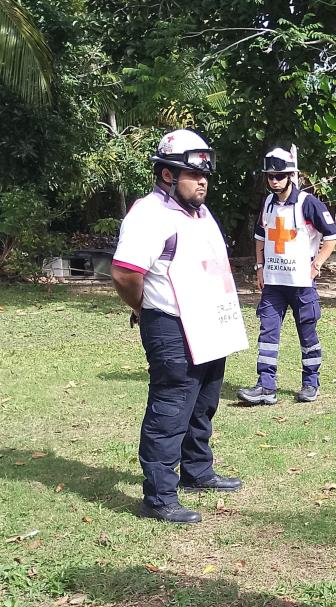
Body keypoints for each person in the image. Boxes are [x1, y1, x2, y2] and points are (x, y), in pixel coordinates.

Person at [111, 130, 244, 524]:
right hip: (171, 326)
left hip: (209, 326)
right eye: (192, 174)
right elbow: (124, 273)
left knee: (203, 403)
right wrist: (145, 306)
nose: (202, 181)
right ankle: (158, 496)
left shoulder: (198, 212)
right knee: (170, 408)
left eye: (204, 174)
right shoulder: (148, 215)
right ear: (167, 174)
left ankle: (197, 472)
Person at [238, 146, 336, 406]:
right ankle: (265, 386)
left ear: (291, 176)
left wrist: (316, 265)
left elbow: (331, 237)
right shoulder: (268, 203)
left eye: (279, 176)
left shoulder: (309, 204)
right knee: (267, 334)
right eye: (270, 176)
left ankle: (310, 383)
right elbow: (260, 237)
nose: (274, 181)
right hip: (273, 284)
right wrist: (259, 267)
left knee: (307, 335)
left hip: (301, 286)